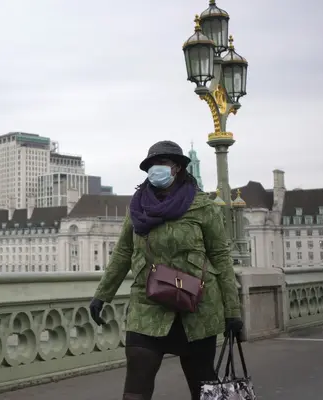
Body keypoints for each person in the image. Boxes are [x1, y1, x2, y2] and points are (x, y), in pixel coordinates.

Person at [88, 140, 243, 400]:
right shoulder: (137, 207)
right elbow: (124, 252)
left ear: (178, 168)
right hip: (148, 305)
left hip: (196, 308)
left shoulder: (202, 206)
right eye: (151, 165)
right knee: (136, 385)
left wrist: (232, 310)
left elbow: (220, 256)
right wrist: (102, 294)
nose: (155, 169)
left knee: (202, 388)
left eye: (162, 164)